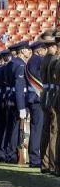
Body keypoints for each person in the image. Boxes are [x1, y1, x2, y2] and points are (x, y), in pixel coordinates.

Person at [26, 39, 48, 167]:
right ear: (40, 50)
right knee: (37, 129)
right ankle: (35, 158)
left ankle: (34, 157)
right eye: (44, 49)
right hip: (37, 98)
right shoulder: (38, 60)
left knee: (35, 128)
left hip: (32, 97)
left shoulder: (30, 61)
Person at [40, 32, 59, 173]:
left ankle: (46, 163)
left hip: (47, 95)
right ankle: (53, 164)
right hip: (53, 96)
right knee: (54, 132)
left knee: (47, 130)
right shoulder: (54, 60)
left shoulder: (46, 59)